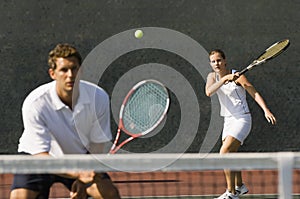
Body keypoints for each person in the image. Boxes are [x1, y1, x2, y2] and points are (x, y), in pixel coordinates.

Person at [10, 43, 121, 199]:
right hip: (38, 160)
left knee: (109, 194)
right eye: (63, 70)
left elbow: (97, 145)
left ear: (81, 70)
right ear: (52, 73)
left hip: (79, 160)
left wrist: (83, 179)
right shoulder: (36, 102)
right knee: (20, 197)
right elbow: (41, 155)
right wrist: (78, 174)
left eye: (74, 69)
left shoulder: (98, 97)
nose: (70, 75)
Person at [205, 49, 276, 199]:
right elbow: (209, 91)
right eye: (213, 61)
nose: (216, 64)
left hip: (242, 119)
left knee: (224, 152)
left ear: (225, 61)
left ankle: (231, 193)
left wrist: (266, 110)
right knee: (231, 154)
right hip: (228, 120)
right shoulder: (212, 77)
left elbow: (254, 93)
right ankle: (240, 186)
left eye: (219, 60)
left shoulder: (239, 76)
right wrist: (225, 79)